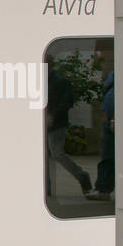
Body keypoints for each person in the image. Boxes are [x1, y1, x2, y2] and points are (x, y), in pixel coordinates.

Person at [45, 65, 93, 199]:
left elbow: (68, 101)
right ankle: (46, 188)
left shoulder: (61, 82)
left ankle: (82, 175)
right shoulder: (41, 82)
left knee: (57, 153)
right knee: (43, 157)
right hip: (43, 124)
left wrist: (53, 115)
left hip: (57, 124)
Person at [88, 70, 115, 201]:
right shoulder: (112, 83)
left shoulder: (116, 80)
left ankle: (103, 189)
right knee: (107, 157)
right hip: (110, 123)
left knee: (108, 157)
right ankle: (103, 188)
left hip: (113, 124)